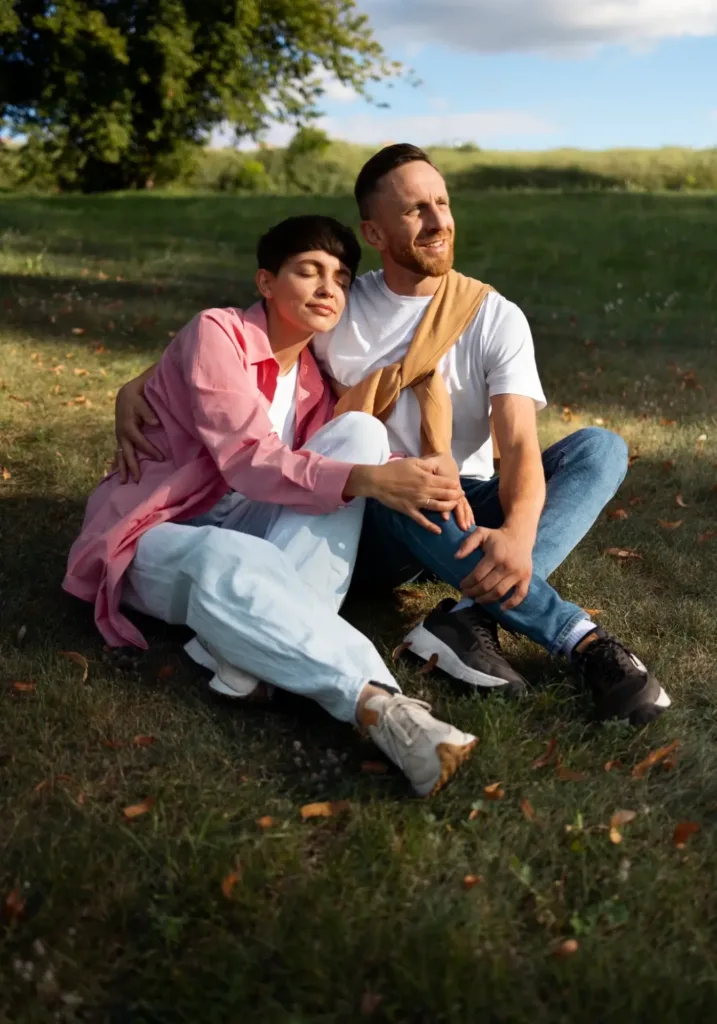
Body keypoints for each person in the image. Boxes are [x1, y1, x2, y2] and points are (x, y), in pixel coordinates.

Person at [114, 148, 671, 727]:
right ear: (374, 231)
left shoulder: (493, 316)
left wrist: (518, 534)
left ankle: (467, 614)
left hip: (469, 503)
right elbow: (243, 340)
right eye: (415, 211)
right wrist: (138, 384)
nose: (438, 222)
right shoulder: (341, 303)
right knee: (392, 469)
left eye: (443, 203)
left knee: (599, 448)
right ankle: (579, 639)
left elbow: (522, 448)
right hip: (373, 512)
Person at [63, 214, 477, 797]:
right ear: (265, 282)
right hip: (154, 531)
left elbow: (318, 472)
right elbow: (248, 461)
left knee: (359, 431)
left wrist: (399, 472)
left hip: (248, 526)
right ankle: (384, 707)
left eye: (339, 276)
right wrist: (371, 482)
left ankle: (236, 649)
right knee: (227, 554)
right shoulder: (218, 332)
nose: (328, 287)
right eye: (308, 271)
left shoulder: (313, 380)